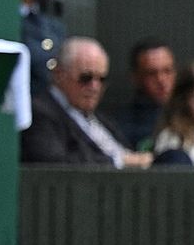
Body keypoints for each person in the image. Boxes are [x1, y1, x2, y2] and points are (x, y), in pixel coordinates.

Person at [24, 37, 155, 168]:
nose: (95, 87)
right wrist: (120, 161)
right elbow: (56, 164)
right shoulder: (40, 113)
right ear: (59, 74)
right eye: (86, 78)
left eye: (102, 79)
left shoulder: (100, 119)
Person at [108, 39, 178, 150]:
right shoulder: (121, 125)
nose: (161, 80)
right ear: (135, 77)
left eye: (167, 71)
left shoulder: (193, 113)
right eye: (152, 73)